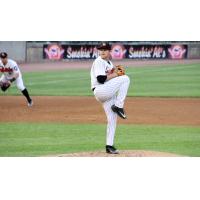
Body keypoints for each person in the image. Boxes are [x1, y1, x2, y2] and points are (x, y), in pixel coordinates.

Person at [90, 42, 130, 154]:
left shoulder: (109, 63)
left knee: (112, 119)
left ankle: (109, 145)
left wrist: (117, 72)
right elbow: (101, 79)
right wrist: (118, 75)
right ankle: (118, 106)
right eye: (100, 49)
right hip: (100, 90)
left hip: (107, 92)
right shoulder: (99, 61)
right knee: (126, 79)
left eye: (105, 49)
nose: (102, 51)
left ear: (109, 51)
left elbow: (112, 77)